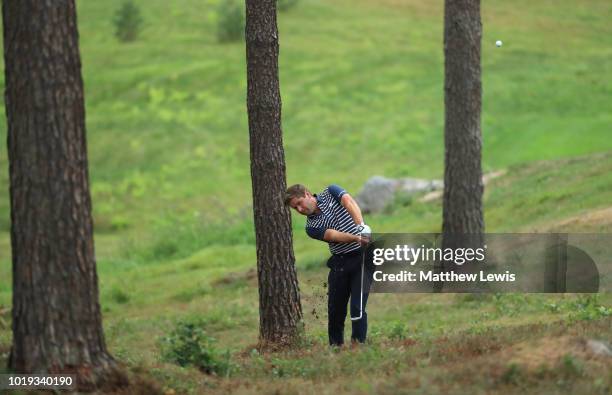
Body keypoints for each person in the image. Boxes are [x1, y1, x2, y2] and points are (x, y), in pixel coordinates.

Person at [284, 184, 372, 346]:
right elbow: (333, 235)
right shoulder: (311, 227)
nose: (300, 210)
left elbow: (348, 202)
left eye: (299, 203)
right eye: (295, 208)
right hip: (340, 263)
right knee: (335, 310)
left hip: (362, 259)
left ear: (307, 194)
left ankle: (358, 346)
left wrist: (362, 228)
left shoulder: (331, 192)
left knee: (357, 308)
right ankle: (335, 348)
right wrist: (357, 238)